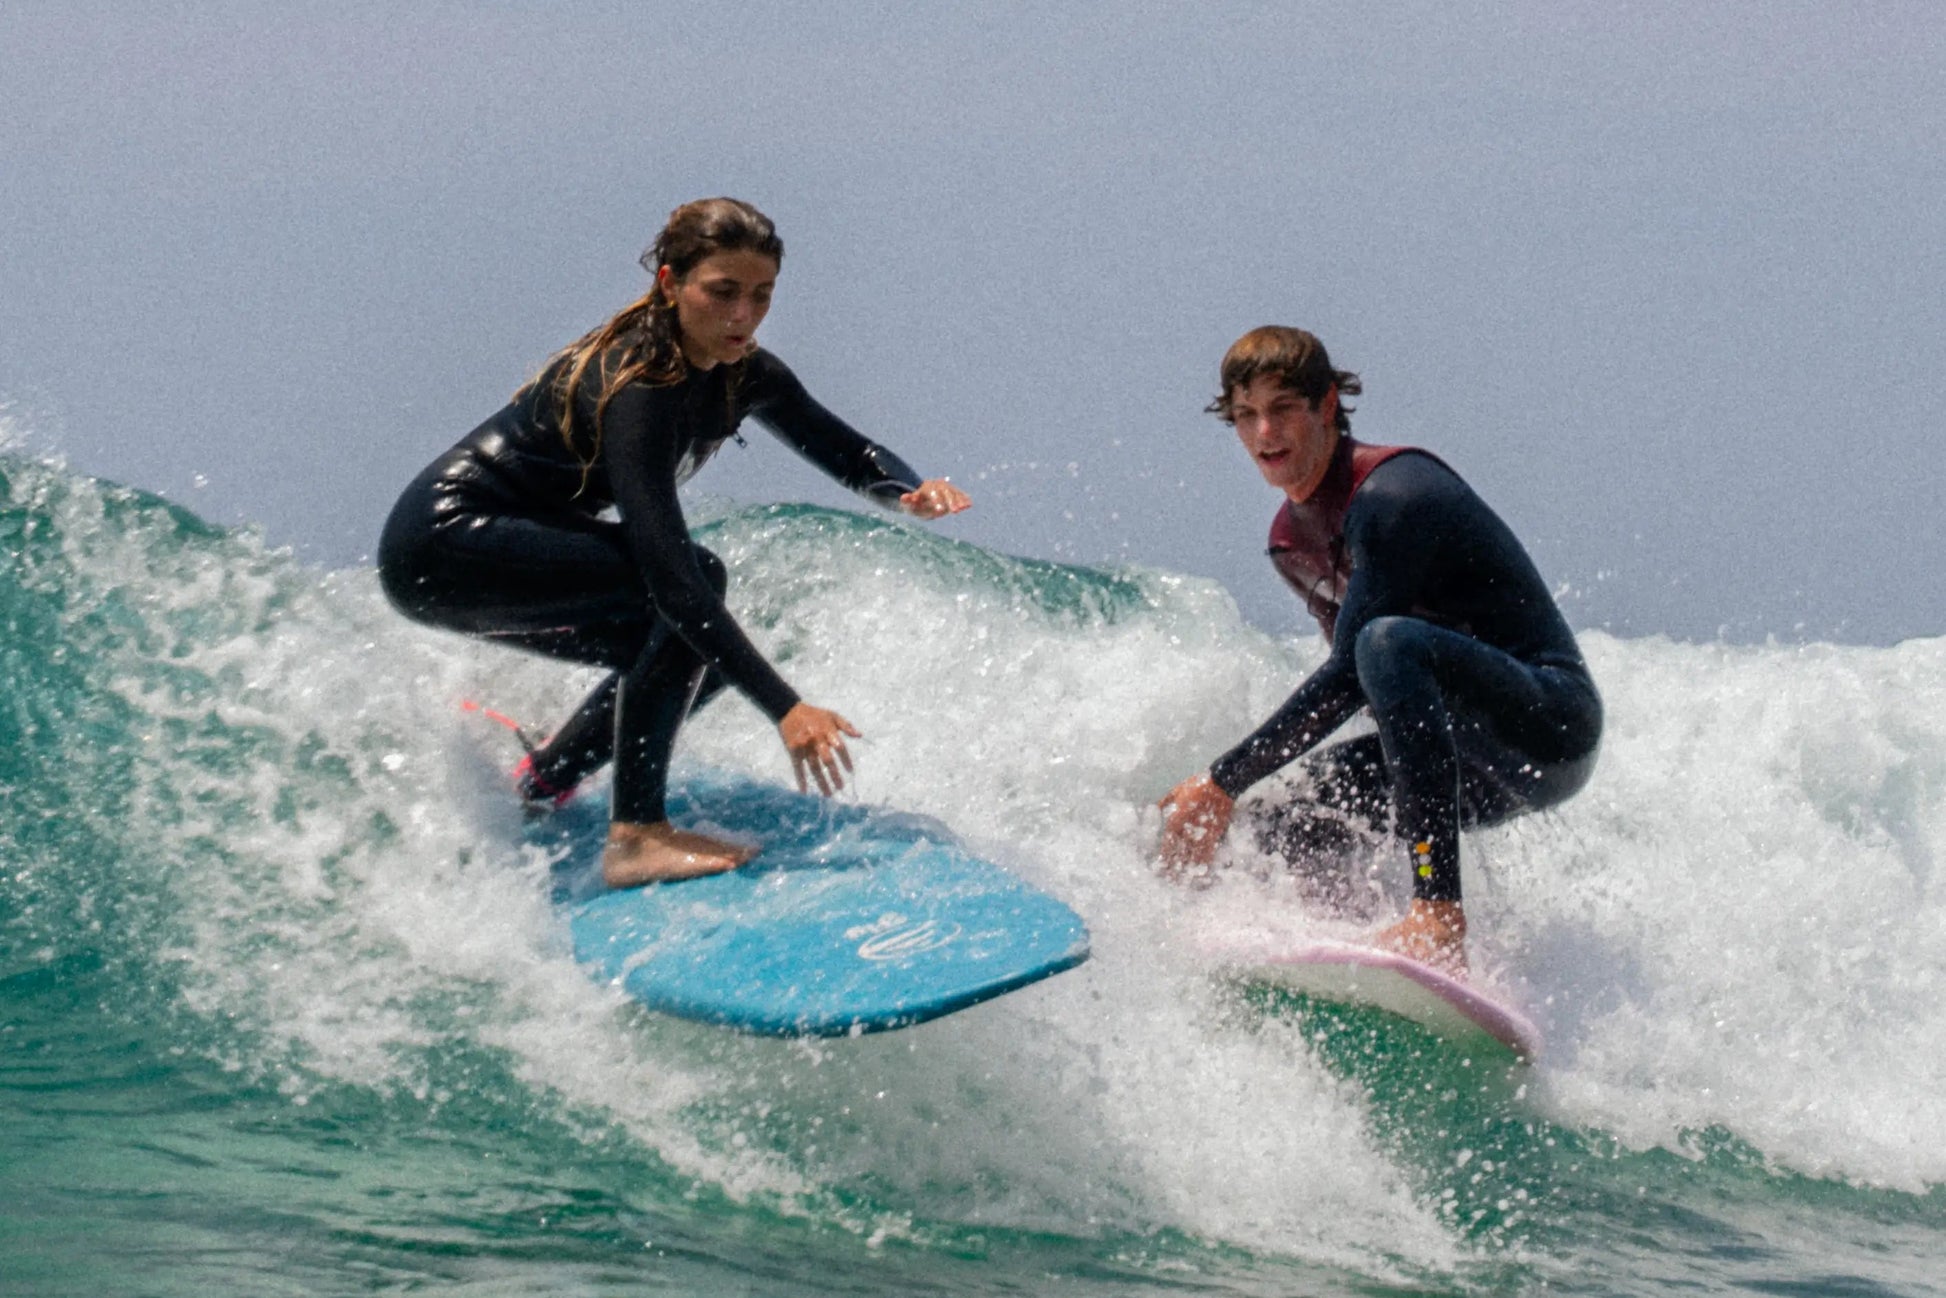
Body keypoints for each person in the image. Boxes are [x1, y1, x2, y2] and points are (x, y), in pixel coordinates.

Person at [379, 198, 969, 888]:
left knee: (696, 652)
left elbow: (847, 450)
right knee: (695, 591)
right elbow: (669, 574)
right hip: (444, 543)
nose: (743, 314)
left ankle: (541, 783)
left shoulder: (744, 373)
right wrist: (787, 708)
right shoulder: (641, 389)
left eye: (761, 295)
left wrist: (906, 490)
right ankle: (636, 835)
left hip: (494, 544)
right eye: (723, 292)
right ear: (671, 284)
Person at [1156, 327, 1601, 974]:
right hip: (1457, 758)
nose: (1264, 433)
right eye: (1246, 415)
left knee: (1386, 641)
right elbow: (1365, 692)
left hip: (1547, 726)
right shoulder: (1289, 544)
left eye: (1282, 409)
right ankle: (1338, 935)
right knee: (1286, 817)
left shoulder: (1396, 495)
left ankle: (1437, 918)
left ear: (1326, 405)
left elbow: (1357, 670)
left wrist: (1221, 780)